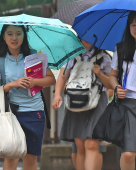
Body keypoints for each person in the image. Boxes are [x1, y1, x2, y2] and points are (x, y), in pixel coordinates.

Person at [0, 24, 55, 170]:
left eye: (18, 33)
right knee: (11, 157)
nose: (14, 38)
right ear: (4, 37)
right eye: (10, 34)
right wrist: (11, 84)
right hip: (11, 114)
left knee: (30, 159)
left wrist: (35, 81)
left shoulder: (35, 56)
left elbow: (51, 79)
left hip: (34, 112)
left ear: (24, 36)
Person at [52, 39, 112, 170]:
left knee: (91, 144)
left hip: (97, 102)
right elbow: (62, 77)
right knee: (80, 147)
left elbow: (110, 84)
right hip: (75, 102)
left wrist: (99, 74)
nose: (88, 38)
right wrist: (57, 95)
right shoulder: (71, 55)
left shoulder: (105, 57)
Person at [109, 11, 136, 170]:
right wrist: (116, 87)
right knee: (128, 153)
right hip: (128, 105)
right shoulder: (121, 48)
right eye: (134, 25)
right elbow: (113, 76)